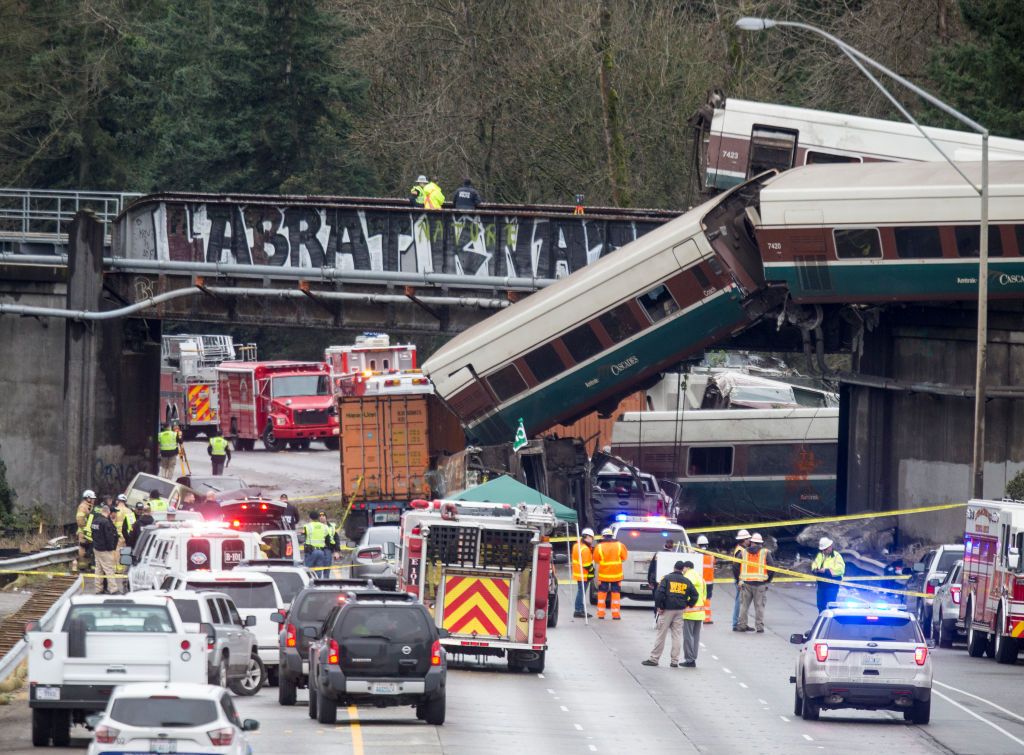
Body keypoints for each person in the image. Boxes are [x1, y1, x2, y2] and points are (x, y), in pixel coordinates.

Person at [641, 560, 698, 668]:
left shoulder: (666, 578)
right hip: (680, 610)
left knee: (661, 634)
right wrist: (688, 604)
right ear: (682, 569)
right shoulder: (686, 581)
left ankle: (654, 659)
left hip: (667, 610)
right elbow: (695, 595)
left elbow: (659, 593)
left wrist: (659, 606)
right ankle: (674, 661)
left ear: (674, 568)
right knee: (676, 636)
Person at [734, 532, 776, 633]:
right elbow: (772, 567)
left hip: (746, 584)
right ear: (760, 543)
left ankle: (742, 625)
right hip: (760, 584)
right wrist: (767, 580)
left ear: (752, 542)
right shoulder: (765, 552)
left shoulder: (743, 552)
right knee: (759, 607)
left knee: (744, 606)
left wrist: (739, 579)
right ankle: (759, 627)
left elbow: (735, 566)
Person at [592, 528, 628, 620]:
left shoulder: (599, 546)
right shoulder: (620, 545)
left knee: (602, 594)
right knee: (615, 594)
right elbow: (624, 558)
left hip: (604, 575)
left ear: (603, 536)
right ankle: (615, 615)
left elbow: (596, 560)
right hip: (616, 575)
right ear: (612, 536)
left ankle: (601, 614)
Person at [680, 560, 707, 666]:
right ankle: (693, 658)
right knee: (695, 637)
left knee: (687, 637)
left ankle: (689, 659)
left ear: (686, 568)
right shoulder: (700, 577)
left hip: (689, 611)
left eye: (683, 569)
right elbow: (705, 595)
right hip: (700, 612)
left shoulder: (688, 577)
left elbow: (684, 593)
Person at [90, 504, 120, 594]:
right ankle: (113, 589)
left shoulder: (95, 521)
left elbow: (92, 535)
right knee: (109, 569)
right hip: (105, 550)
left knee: (98, 569)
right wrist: (111, 548)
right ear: (108, 512)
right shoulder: (105, 522)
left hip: (96, 548)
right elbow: (109, 537)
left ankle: (98, 589)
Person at [811, 537, 846, 612]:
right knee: (820, 605)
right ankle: (821, 621)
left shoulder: (837, 556)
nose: (823, 551)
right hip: (821, 585)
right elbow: (815, 564)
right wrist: (815, 569)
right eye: (822, 550)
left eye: (825, 549)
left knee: (830, 605)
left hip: (832, 585)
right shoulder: (821, 555)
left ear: (830, 547)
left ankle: (830, 621)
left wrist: (826, 571)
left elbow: (840, 569)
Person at [647, 539, 677, 619]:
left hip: (658, 581)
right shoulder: (675, 555)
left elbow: (651, 568)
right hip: (670, 581)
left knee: (658, 600)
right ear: (672, 545)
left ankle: (657, 618)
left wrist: (650, 581)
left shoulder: (658, 554)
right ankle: (664, 618)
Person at [571, 528, 595, 618]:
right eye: (591, 538)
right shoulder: (585, 549)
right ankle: (578, 610)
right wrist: (592, 571)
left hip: (578, 572)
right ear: (587, 537)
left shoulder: (576, 545)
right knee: (581, 592)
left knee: (580, 591)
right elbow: (586, 564)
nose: (592, 540)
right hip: (584, 574)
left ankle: (579, 609)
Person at [731, 529, 751, 630]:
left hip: (741, 579)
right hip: (740, 580)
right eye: (748, 539)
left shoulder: (742, 549)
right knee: (739, 603)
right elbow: (735, 567)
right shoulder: (740, 551)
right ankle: (735, 624)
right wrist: (739, 580)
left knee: (742, 602)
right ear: (744, 540)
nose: (749, 540)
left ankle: (742, 623)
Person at [75, 489, 97, 572]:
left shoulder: (89, 506)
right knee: (83, 548)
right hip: (83, 532)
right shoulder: (82, 506)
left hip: (88, 532)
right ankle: (82, 567)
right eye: (92, 498)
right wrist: (85, 528)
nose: (94, 500)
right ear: (88, 498)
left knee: (89, 549)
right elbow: (80, 519)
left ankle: (87, 566)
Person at [695, 534, 715, 624]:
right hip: (709, 582)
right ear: (707, 545)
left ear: (698, 545)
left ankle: (697, 616)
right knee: (707, 599)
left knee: (697, 599)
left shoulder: (695, 556)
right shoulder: (711, 556)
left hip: (698, 582)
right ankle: (707, 618)